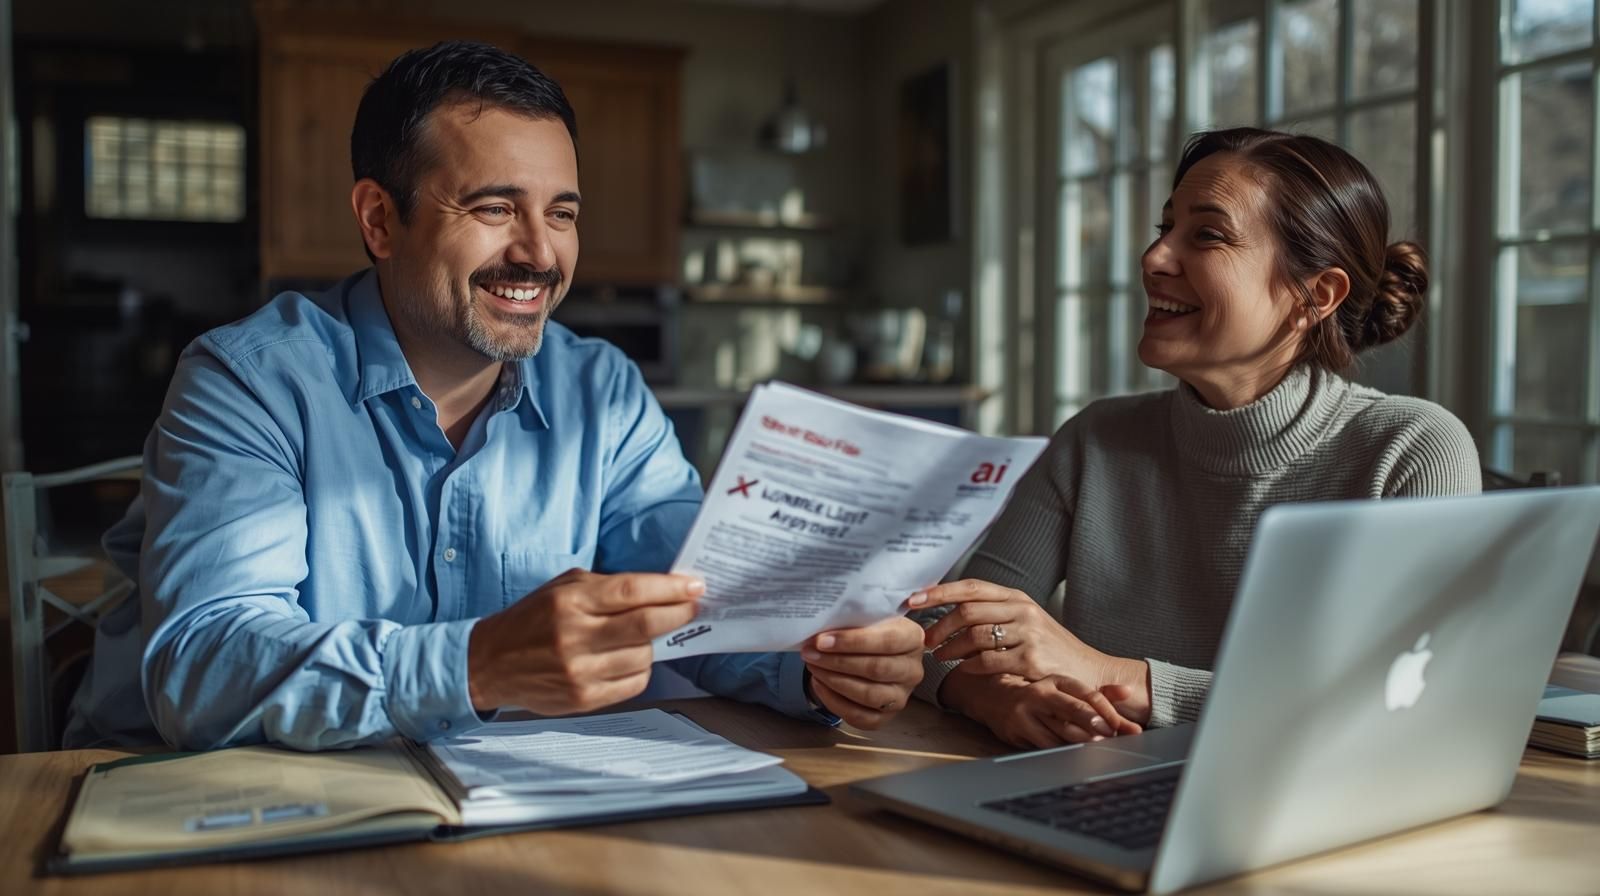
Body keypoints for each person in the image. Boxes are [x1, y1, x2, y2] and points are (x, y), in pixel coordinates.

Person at [64, 41, 924, 751]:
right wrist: (476, 665)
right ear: (379, 220)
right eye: (494, 208)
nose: (540, 254)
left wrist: (817, 664)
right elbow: (204, 668)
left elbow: (699, 604)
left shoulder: (604, 393)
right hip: (216, 802)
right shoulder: (248, 382)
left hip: (494, 797)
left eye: (562, 214)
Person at [906, 127, 1481, 749]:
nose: (1154, 258)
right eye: (1165, 228)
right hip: (1097, 783)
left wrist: (1119, 677)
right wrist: (997, 698)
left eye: (1207, 234)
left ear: (1316, 295)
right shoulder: (1094, 441)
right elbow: (943, 629)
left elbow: (1404, 696)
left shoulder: (1413, 449)